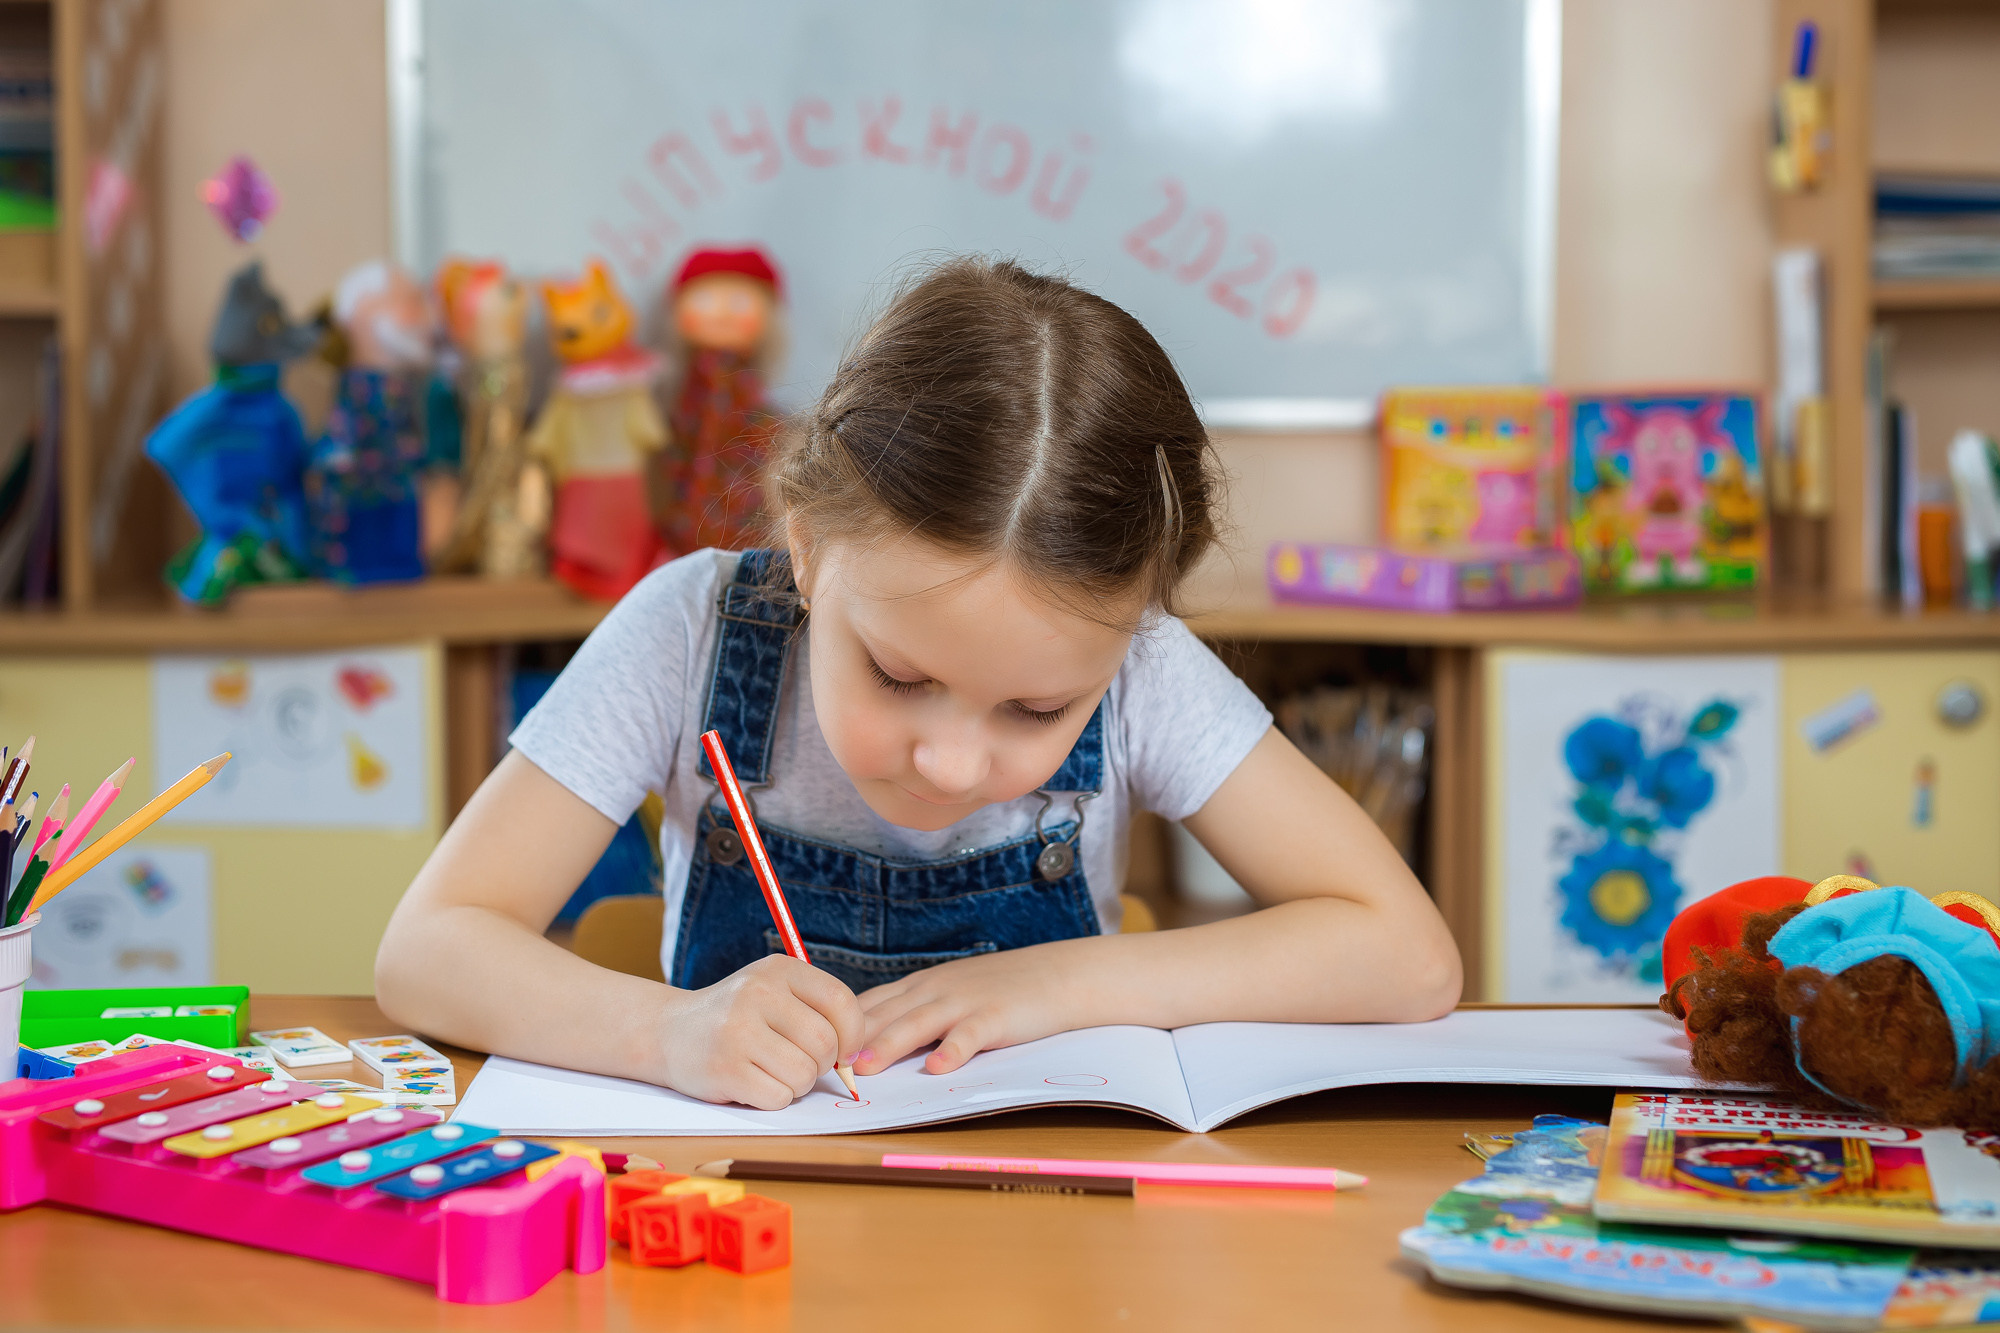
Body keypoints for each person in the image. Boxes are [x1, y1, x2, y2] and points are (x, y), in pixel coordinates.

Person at [376, 257, 1462, 1110]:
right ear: (806, 549)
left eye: (1036, 711)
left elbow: (1405, 956)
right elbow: (427, 951)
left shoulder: (1138, 664)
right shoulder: (689, 630)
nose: (949, 761)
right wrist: (664, 1033)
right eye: (898, 676)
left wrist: (1057, 986)